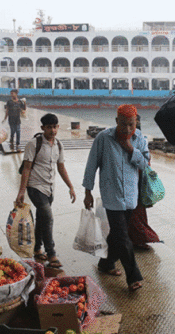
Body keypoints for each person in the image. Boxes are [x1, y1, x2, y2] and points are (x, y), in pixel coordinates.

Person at [82, 104, 149, 291]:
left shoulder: (140, 139)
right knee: (122, 236)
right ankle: (133, 276)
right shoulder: (103, 138)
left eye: (131, 124)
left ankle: (106, 264)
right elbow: (91, 165)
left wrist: (131, 150)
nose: (127, 129)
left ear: (135, 123)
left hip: (131, 197)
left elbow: (145, 164)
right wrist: (87, 191)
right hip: (111, 196)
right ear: (116, 121)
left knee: (117, 235)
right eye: (123, 124)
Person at [16, 113, 76, 269]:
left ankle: (37, 249)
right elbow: (27, 169)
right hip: (35, 187)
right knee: (48, 217)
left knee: (41, 219)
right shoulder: (33, 144)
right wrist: (21, 192)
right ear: (43, 128)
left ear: (58, 127)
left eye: (55, 127)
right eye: (49, 127)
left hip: (50, 189)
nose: (53, 130)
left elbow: (61, 167)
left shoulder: (59, 145)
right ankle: (51, 254)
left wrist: (71, 186)